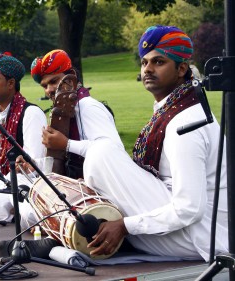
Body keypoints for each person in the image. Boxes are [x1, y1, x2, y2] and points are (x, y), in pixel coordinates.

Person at [81, 25, 228, 261]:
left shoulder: (186, 124)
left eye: (158, 62)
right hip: (193, 229)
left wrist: (125, 226)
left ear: (181, 69)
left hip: (201, 237)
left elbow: (189, 208)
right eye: (144, 62)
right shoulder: (175, 108)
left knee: (102, 153)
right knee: (101, 155)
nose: (147, 69)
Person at [15, 49, 123, 229]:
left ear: (70, 80)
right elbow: (64, 165)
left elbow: (112, 151)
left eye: (54, 81)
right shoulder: (64, 110)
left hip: (103, 192)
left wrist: (66, 144)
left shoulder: (88, 107)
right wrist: (33, 166)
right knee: (27, 213)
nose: (49, 89)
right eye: (44, 85)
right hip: (76, 192)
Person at [0, 52, 47, 222]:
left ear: (11, 83)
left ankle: (20, 216)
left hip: (25, 181)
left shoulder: (31, 113)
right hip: (0, 180)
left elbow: (33, 165)